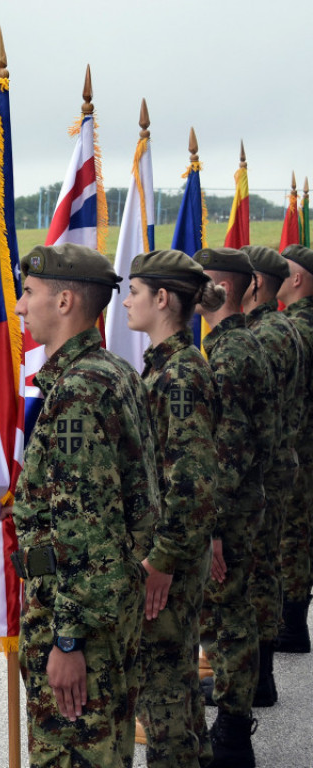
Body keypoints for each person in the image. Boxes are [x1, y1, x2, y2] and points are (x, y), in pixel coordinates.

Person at [11, 243, 157, 767]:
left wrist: (68, 641)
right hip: (105, 610)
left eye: (29, 293)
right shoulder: (114, 372)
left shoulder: (78, 392)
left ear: (66, 300)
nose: (21, 307)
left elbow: (85, 528)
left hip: (77, 625)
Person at [123, 250, 222, 768]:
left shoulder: (180, 376)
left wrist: (161, 561)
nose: (125, 302)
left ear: (162, 299)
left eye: (134, 292)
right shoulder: (166, 367)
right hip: (172, 550)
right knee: (176, 692)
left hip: (171, 558)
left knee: (164, 701)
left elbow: (193, 481)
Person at [194, 247, 273, 766]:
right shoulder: (234, 345)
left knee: (230, 618)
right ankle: (233, 711)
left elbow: (229, 449)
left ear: (216, 286)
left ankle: (233, 730)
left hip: (232, 511)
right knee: (229, 615)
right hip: (243, 505)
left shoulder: (230, 354)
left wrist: (214, 529)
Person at [239, 243, 304, 706]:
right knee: (267, 565)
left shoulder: (266, 336)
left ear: (255, 284)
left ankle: (255, 681)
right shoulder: (276, 328)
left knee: (257, 571)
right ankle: (258, 676)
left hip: (265, 469)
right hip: (279, 464)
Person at [277, 243, 313, 654]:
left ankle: (290, 624)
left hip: (298, 444)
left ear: (298, 279)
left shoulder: (298, 328)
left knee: (292, 534)